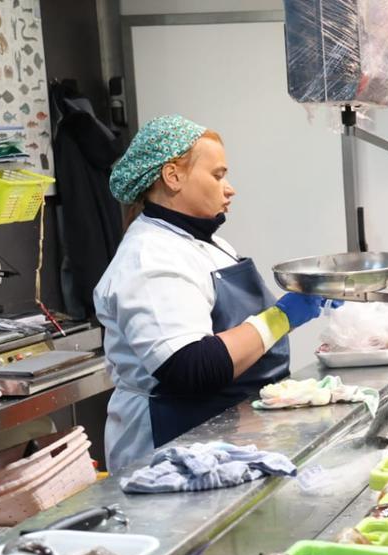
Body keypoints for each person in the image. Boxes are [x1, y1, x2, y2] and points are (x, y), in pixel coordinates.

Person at [95, 115, 331, 469]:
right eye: (218, 175)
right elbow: (191, 366)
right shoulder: (150, 258)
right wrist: (284, 316)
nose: (230, 188)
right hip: (171, 450)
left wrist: (298, 309)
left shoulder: (209, 243)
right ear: (173, 176)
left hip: (226, 433)